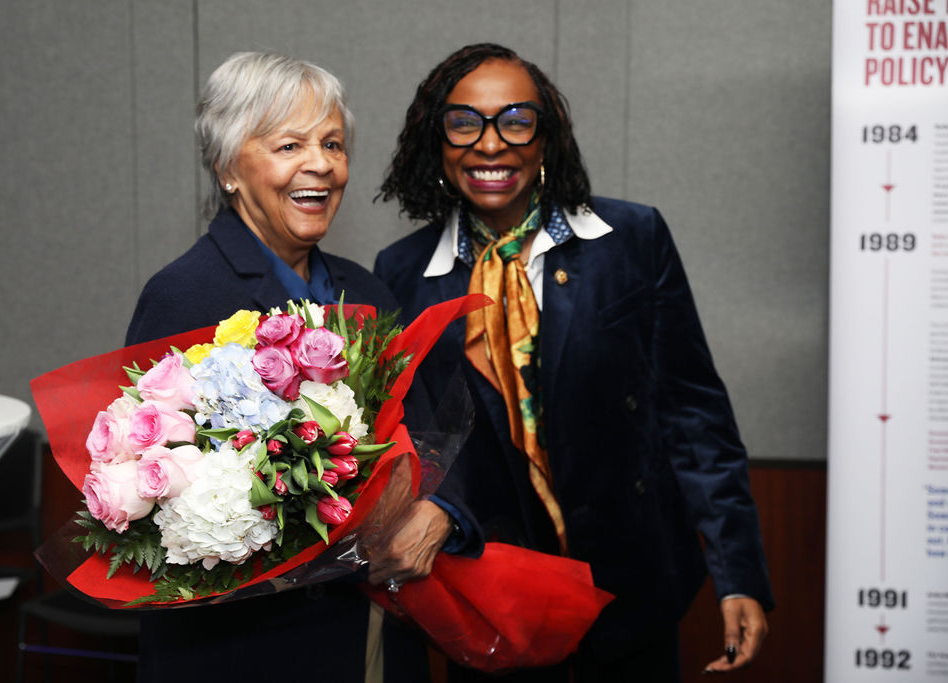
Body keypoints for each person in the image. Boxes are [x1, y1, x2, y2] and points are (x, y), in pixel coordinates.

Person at [374, 43, 775, 682]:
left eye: (515, 120)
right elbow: (418, 445)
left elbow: (692, 413)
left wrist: (738, 573)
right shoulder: (402, 273)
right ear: (437, 141)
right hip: (493, 598)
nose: (490, 144)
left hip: (629, 591)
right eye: (464, 122)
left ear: (547, 138)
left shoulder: (630, 242)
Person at [126, 51, 446, 683]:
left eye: (333, 143)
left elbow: (432, 436)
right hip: (246, 651)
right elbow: (154, 508)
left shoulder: (368, 293)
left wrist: (442, 510)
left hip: (379, 630)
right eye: (289, 144)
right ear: (228, 169)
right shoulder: (185, 297)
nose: (321, 164)